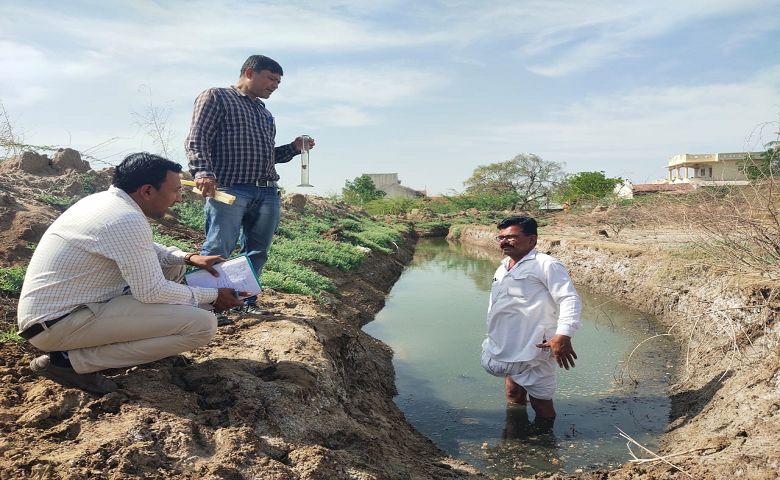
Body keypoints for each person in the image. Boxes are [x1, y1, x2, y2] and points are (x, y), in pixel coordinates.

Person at [17, 152, 244, 395]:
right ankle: (67, 363)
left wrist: (188, 258)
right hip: (58, 324)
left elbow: (146, 250)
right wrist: (212, 296)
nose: (178, 199)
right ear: (147, 191)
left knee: (173, 266)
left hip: (63, 313)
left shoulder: (107, 203)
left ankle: (118, 349)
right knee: (203, 325)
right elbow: (152, 291)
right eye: (175, 191)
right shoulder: (125, 218)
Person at [185, 54, 315, 314]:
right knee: (217, 248)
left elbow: (268, 156)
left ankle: (243, 303)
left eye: (278, 82)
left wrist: (293, 148)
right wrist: (201, 172)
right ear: (249, 72)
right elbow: (197, 138)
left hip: (266, 190)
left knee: (256, 252)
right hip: (230, 188)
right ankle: (206, 306)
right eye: (271, 79)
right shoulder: (217, 97)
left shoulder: (264, 113)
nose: (275, 85)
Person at [480, 216, 581, 430]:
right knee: (513, 392)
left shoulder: (546, 265)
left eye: (511, 237)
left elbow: (568, 298)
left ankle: (544, 441)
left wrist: (563, 335)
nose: (504, 241)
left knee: (540, 401)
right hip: (507, 342)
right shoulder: (503, 267)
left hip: (536, 344)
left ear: (532, 240)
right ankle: (514, 433)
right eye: (501, 237)